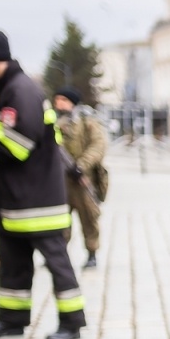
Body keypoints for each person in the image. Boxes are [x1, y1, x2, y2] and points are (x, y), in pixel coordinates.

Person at [0, 31, 86, 339]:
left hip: (37, 199)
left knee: (56, 262)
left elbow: (18, 144)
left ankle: (72, 322)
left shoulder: (21, 91)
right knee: (13, 261)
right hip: (16, 199)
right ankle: (11, 319)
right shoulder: (10, 90)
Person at [53, 87, 107, 269]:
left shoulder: (87, 122)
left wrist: (81, 165)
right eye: (56, 99)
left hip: (83, 179)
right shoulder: (54, 123)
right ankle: (58, 254)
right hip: (60, 181)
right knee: (59, 219)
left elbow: (98, 146)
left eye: (62, 99)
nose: (58, 103)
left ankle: (92, 253)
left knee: (89, 218)